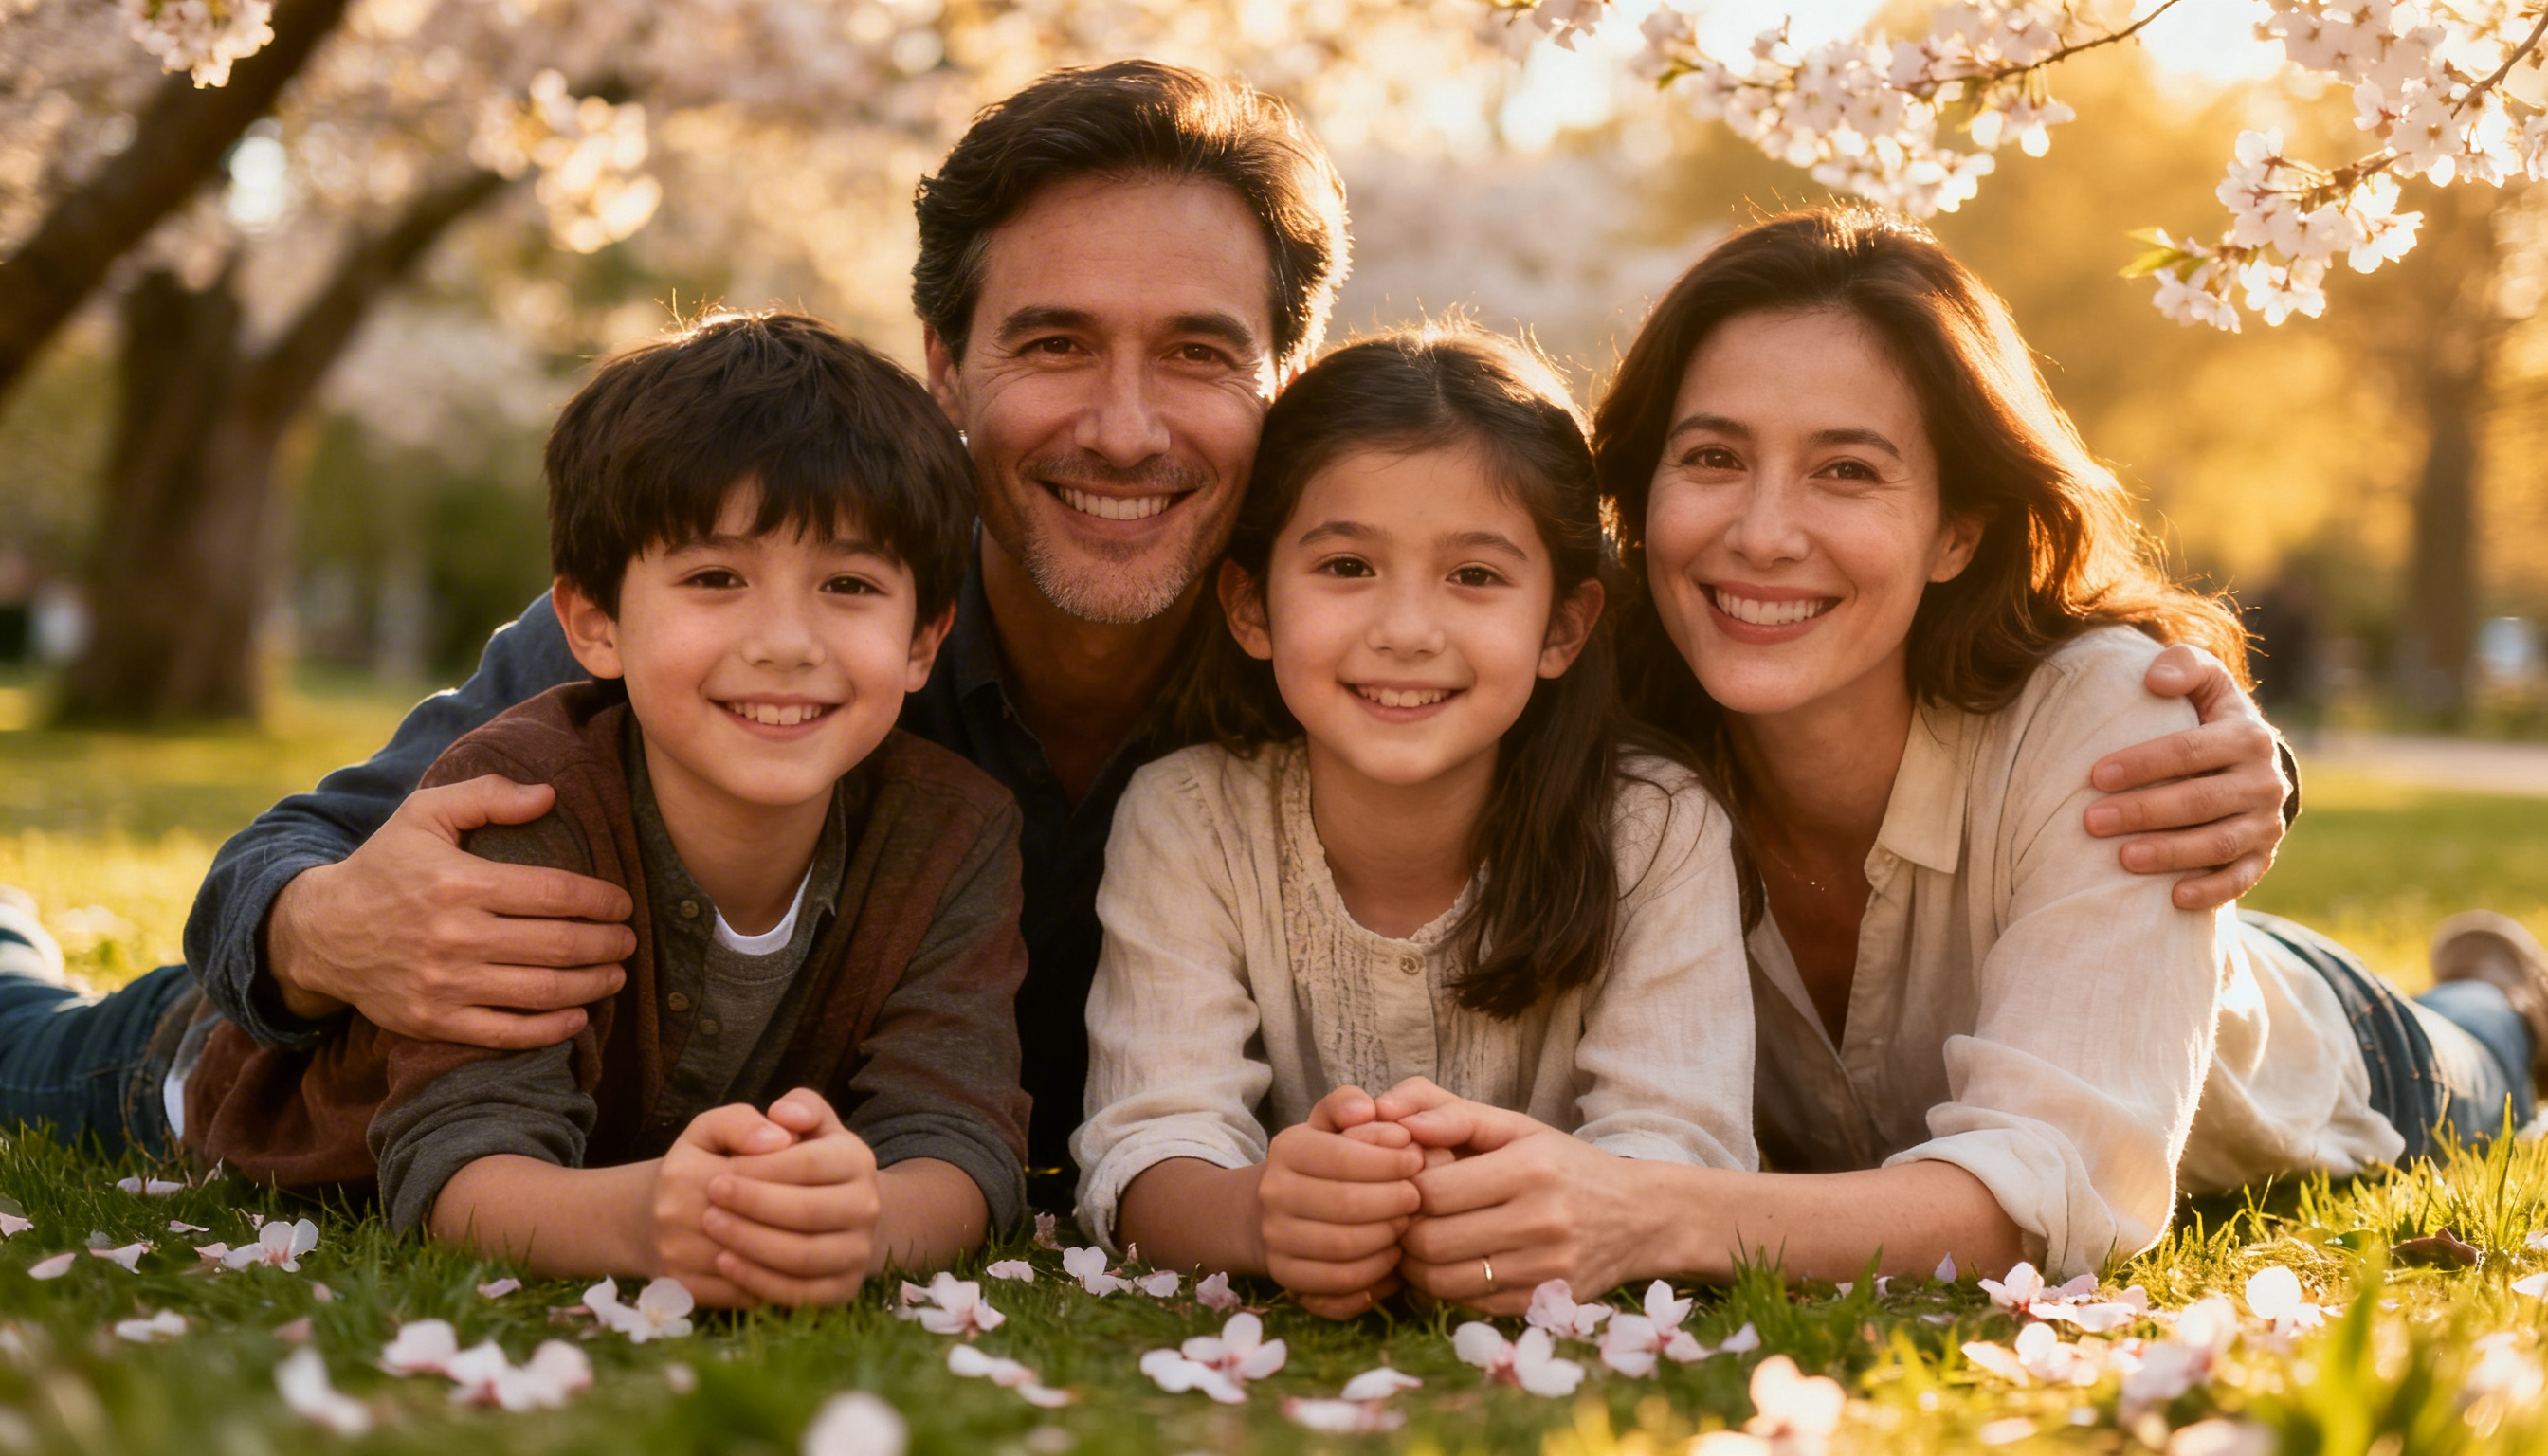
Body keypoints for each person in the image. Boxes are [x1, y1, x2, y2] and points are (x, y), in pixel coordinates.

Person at [173, 64, 2288, 1202]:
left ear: (1282, 384)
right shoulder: (775, 624)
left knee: (2367, 1041)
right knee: (101, 1058)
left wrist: (2240, 757)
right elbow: (284, 862)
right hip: (348, 1078)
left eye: (1195, 354)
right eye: (1052, 347)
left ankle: (2476, 1016)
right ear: (943, 366)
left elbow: (1793, 623)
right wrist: (305, 936)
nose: (1119, 423)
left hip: (2167, 1020)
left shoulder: (1412, 642)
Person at [1360, 209, 2548, 1306]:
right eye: (1714, 458)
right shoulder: (1566, 693)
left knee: (2483, 1058)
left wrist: (1652, 1217)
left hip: (2320, 1062)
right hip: (2089, 941)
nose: (1762, 533)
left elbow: (2053, 1192)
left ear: (1957, 532)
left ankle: (2502, 999)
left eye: (1847, 471)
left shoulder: (2105, 724)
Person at [0, 313, 1031, 1307]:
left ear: (921, 640)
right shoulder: (523, 799)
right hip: (202, 1077)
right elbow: (463, 1173)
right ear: (592, 623)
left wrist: (857, 1224)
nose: (784, 641)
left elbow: (957, 1141)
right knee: (15, 1043)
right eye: (716, 576)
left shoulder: (956, 836)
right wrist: (653, 1224)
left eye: (848, 585)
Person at [1074, 326, 1755, 1319]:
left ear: (1563, 626)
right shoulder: (1187, 819)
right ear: (1252, 605)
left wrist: (1548, 1214)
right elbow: (1150, 1144)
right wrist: (1264, 1215)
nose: (1405, 630)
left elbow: (1676, 1147)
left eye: (1474, 576)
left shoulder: (1653, 829)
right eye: (1347, 566)